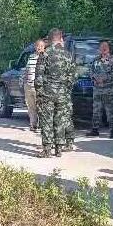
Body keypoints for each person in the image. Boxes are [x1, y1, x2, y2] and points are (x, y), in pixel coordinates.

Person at [34, 29, 75, 157]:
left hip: (47, 93)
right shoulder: (68, 55)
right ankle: (59, 149)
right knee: (60, 120)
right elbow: (73, 76)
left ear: (49, 39)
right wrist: (66, 91)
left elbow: (38, 76)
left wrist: (39, 93)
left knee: (47, 121)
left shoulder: (45, 54)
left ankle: (47, 150)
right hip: (62, 94)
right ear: (60, 38)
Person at [88, 40, 113, 138]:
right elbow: (91, 71)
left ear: (109, 48)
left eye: (105, 46)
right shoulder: (96, 60)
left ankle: (112, 131)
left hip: (109, 89)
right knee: (96, 109)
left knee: (110, 110)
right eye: (102, 47)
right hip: (97, 89)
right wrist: (94, 78)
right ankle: (95, 129)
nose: (104, 48)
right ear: (99, 49)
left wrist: (104, 79)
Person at [22, 39, 46, 132]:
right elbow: (27, 70)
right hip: (28, 85)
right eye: (37, 46)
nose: (39, 47)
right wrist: (25, 81)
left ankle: (41, 125)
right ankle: (33, 124)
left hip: (39, 86)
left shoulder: (46, 57)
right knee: (31, 106)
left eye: (41, 46)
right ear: (35, 47)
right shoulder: (31, 57)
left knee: (40, 106)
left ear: (44, 47)